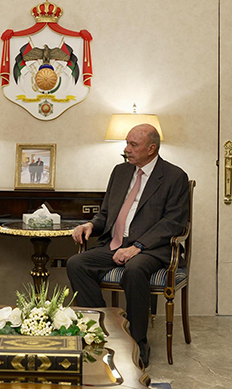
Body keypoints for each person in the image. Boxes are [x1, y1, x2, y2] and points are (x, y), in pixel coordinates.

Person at [67, 123, 190, 367]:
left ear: (151, 148)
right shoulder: (120, 171)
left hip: (152, 249)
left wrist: (138, 247)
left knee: (134, 269)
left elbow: (173, 223)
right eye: (127, 143)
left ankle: (138, 342)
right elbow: (106, 213)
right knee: (76, 263)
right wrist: (91, 225)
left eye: (133, 145)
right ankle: (102, 331)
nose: (127, 149)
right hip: (115, 244)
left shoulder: (174, 176)